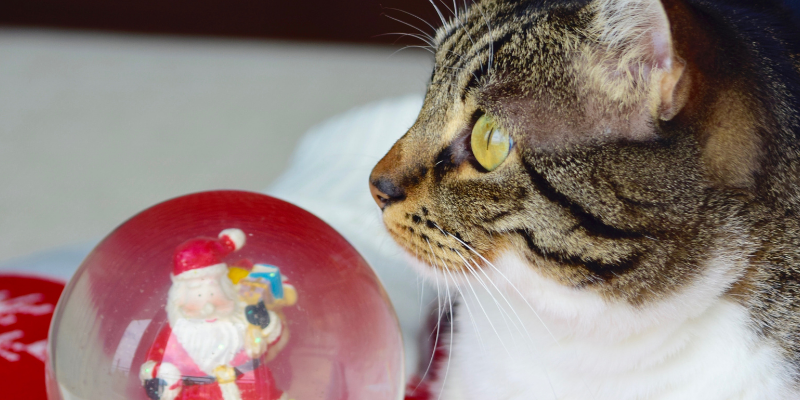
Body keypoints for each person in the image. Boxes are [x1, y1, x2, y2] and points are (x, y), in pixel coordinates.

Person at [139, 228, 288, 400]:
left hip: (255, 390)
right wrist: (159, 378)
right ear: (180, 296)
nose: (208, 305)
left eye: (213, 291)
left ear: (225, 287)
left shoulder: (240, 315)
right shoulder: (175, 333)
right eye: (197, 293)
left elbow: (269, 337)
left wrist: (264, 323)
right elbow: (153, 365)